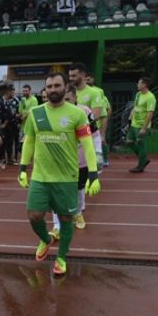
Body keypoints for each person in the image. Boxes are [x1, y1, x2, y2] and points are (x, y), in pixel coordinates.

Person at [18, 73, 101, 276]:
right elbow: (29, 141)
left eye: (57, 85)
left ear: (65, 87)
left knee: (66, 219)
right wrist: (22, 168)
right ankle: (46, 239)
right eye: (49, 86)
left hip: (67, 178)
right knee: (34, 215)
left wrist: (93, 174)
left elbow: (88, 145)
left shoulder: (77, 114)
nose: (53, 89)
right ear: (45, 89)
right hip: (40, 176)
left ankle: (62, 257)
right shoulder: (36, 112)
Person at [49, 84, 103, 236]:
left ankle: (78, 213)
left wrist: (98, 153)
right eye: (62, 98)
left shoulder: (84, 112)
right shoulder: (52, 112)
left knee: (79, 189)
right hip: (59, 161)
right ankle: (57, 225)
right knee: (56, 192)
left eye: (68, 99)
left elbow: (95, 134)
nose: (64, 102)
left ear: (75, 98)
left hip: (81, 160)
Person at [127, 76, 156, 173]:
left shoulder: (150, 97)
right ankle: (144, 160)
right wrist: (129, 120)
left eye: (139, 83)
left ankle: (140, 166)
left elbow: (150, 113)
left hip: (142, 125)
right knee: (129, 142)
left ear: (144, 85)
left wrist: (144, 128)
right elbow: (135, 107)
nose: (137, 85)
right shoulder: (138, 94)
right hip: (134, 124)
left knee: (140, 144)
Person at [86, 74, 112, 167]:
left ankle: (104, 160)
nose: (87, 80)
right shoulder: (76, 92)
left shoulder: (99, 92)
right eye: (86, 79)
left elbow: (107, 110)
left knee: (101, 141)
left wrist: (103, 130)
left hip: (96, 125)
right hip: (84, 126)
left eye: (89, 78)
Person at [3, 85, 21, 165]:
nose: (13, 93)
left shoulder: (17, 100)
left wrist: (19, 119)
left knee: (16, 140)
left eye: (14, 91)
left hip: (14, 123)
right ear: (7, 92)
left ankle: (15, 158)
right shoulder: (3, 100)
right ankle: (8, 158)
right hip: (6, 124)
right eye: (11, 91)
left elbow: (19, 111)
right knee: (7, 142)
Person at [18, 84, 38, 157]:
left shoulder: (34, 99)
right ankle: (28, 157)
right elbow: (20, 110)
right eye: (23, 91)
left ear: (30, 91)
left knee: (26, 144)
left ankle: (31, 157)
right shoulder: (22, 100)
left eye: (26, 91)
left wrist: (24, 116)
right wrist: (18, 116)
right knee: (21, 146)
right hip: (23, 127)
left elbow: (32, 111)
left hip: (31, 126)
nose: (24, 92)